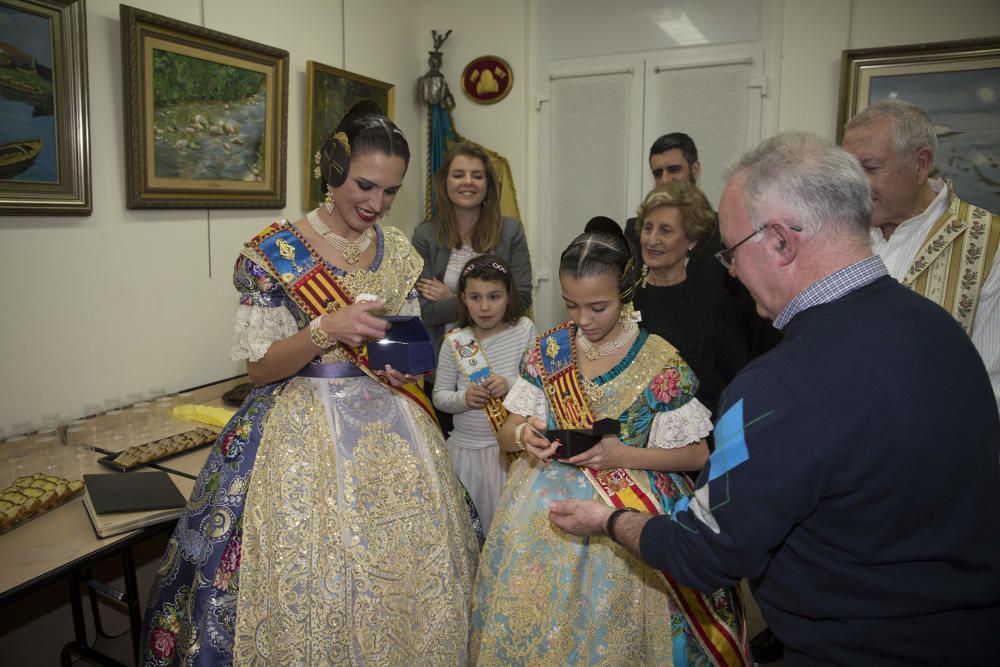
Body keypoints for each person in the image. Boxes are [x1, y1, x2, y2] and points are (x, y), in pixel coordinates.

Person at [550, 132, 1000, 666]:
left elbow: (704, 554)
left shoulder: (773, 390)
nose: (732, 271)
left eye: (733, 251)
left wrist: (608, 521)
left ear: (782, 242)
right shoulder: (944, 330)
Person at [140, 103, 479, 666]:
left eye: (390, 192)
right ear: (332, 170)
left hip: (392, 428)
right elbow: (259, 369)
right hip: (296, 436)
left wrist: (402, 366)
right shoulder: (275, 251)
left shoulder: (398, 251)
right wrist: (326, 328)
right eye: (365, 186)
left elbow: (402, 340)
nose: (376, 204)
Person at [470, 218, 749, 666]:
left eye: (597, 307)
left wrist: (622, 454)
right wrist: (524, 434)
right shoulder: (548, 351)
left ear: (625, 291)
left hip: (631, 511)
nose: (583, 320)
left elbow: (698, 454)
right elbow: (507, 430)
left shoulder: (660, 360)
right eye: (571, 305)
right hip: (542, 512)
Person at [842, 99, 1000, 411]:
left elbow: (990, 384)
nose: (854, 185)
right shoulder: (839, 229)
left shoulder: (989, 244)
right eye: (848, 169)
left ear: (921, 164)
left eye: (870, 168)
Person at [627, 132, 780, 359]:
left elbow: (747, 314)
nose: (666, 179)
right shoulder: (632, 234)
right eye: (658, 173)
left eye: (674, 169)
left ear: (695, 169)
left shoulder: (728, 233)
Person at [433, 255, 536, 533]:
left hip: (509, 455)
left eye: (494, 296)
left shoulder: (524, 330)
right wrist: (463, 399)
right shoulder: (455, 342)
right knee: (467, 530)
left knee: (504, 532)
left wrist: (508, 383)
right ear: (463, 298)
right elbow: (439, 396)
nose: (485, 306)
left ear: (508, 296)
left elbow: (537, 384)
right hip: (464, 453)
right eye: (475, 297)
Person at [633, 182, 747, 421]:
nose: (651, 240)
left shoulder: (714, 299)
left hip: (700, 436)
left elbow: (737, 378)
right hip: (633, 435)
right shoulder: (625, 295)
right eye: (648, 228)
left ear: (692, 240)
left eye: (665, 230)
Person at [411, 141, 533, 357]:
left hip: (502, 358)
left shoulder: (510, 231)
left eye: (477, 176)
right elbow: (425, 311)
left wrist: (455, 298)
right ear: (445, 182)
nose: (468, 182)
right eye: (458, 175)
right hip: (443, 363)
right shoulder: (425, 235)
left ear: (488, 185)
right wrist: (484, 299)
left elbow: (521, 299)